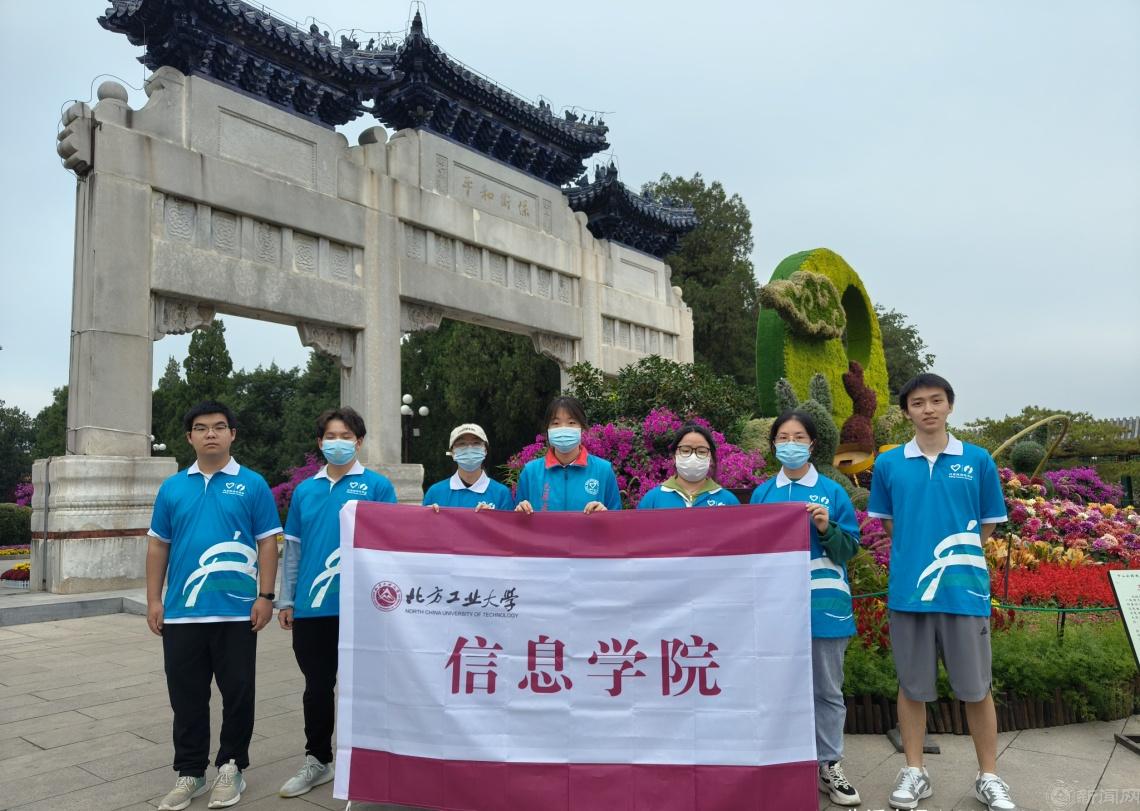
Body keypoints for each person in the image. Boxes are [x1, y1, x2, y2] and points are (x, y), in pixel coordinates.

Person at [867, 374, 1014, 811]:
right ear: (906, 411)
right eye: (917, 403)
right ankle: (915, 771)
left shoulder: (978, 460)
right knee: (912, 687)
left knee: (977, 688)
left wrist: (954, 556)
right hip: (910, 593)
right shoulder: (889, 464)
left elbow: (988, 523)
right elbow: (890, 524)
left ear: (950, 405)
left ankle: (989, 776)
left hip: (964, 592)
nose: (927, 409)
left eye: (935, 400)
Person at [147, 401, 281, 811]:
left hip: (237, 612)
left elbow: (268, 542)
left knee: (238, 692)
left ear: (232, 434)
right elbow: (158, 545)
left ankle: (231, 766)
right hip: (182, 612)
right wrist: (154, 599)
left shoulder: (252, 484)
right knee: (185, 696)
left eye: (219, 427)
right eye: (202, 427)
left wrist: (266, 596)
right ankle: (190, 772)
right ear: (189, 437)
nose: (211, 433)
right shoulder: (172, 487)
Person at [276, 407, 397, 798]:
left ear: (359, 442)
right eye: (331, 436)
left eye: (346, 436)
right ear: (320, 442)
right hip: (313, 608)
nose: (338, 442)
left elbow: (391, 547)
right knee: (317, 687)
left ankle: (370, 761)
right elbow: (293, 550)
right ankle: (318, 759)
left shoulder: (377, 487)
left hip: (362, 608)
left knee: (367, 687)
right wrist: (287, 600)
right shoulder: (305, 491)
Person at [748, 410, 862, 807]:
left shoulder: (832, 491)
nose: (790, 444)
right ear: (773, 444)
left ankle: (829, 764)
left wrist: (827, 529)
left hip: (824, 606)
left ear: (812, 444)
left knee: (827, 690)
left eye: (798, 437)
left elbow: (850, 549)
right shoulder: (763, 494)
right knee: (774, 688)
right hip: (774, 609)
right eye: (783, 437)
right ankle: (780, 764)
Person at [514, 396, 621, 513]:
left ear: (582, 427)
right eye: (556, 423)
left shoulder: (603, 470)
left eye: (571, 422)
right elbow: (516, 522)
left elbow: (617, 519)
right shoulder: (530, 472)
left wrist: (605, 515)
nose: (563, 428)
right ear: (547, 429)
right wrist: (520, 513)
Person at [637, 423, 740, 509]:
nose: (693, 456)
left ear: (711, 458)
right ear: (674, 456)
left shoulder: (728, 501)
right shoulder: (652, 500)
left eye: (701, 451)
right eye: (686, 450)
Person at [422, 423, 515, 511]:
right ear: (452, 453)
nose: (469, 448)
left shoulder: (501, 494)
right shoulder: (435, 493)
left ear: (485, 450)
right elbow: (422, 522)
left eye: (476, 443)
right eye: (462, 444)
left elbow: (508, 523)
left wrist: (491, 518)